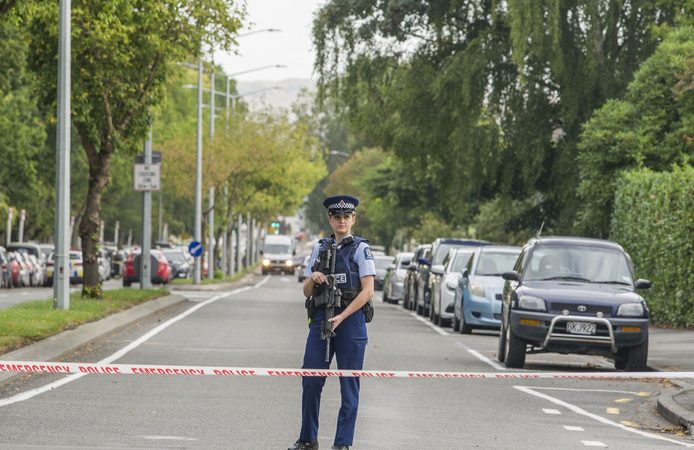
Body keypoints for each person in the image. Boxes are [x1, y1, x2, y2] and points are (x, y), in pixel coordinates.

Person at [289, 195, 376, 450]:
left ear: (353, 219)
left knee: (349, 383)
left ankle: (342, 444)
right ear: (330, 219)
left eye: (346, 217)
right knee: (311, 378)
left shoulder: (361, 249)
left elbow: (368, 291)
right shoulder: (319, 248)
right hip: (321, 319)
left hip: (350, 321)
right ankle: (308, 439)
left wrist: (342, 316)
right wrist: (313, 279)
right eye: (337, 217)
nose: (341, 221)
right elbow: (306, 291)